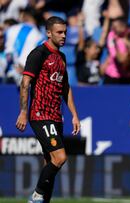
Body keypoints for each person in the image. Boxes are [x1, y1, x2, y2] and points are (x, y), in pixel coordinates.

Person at [15, 16, 80, 203]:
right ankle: (36, 196)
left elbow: (65, 88)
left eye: (65, 32)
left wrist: (74, 115)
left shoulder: (62, 57)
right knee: (60, 157)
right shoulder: (38, 54)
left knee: (50, 164)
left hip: (56, 116)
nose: (64, 36)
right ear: (49, 32)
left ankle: (43, 201)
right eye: (59, 32)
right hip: (40, 114)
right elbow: (25, 82)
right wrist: (23, 112)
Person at [75, 11, 110, 86]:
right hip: (83, 90)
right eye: (95, 48)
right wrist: (80, 23)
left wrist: (107, 19)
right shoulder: (81, 58)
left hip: (96, 89)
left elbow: (103, 36)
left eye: (97, 48)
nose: (97, 50)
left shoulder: (96, 58)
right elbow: (81, 41)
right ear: (86, 49)